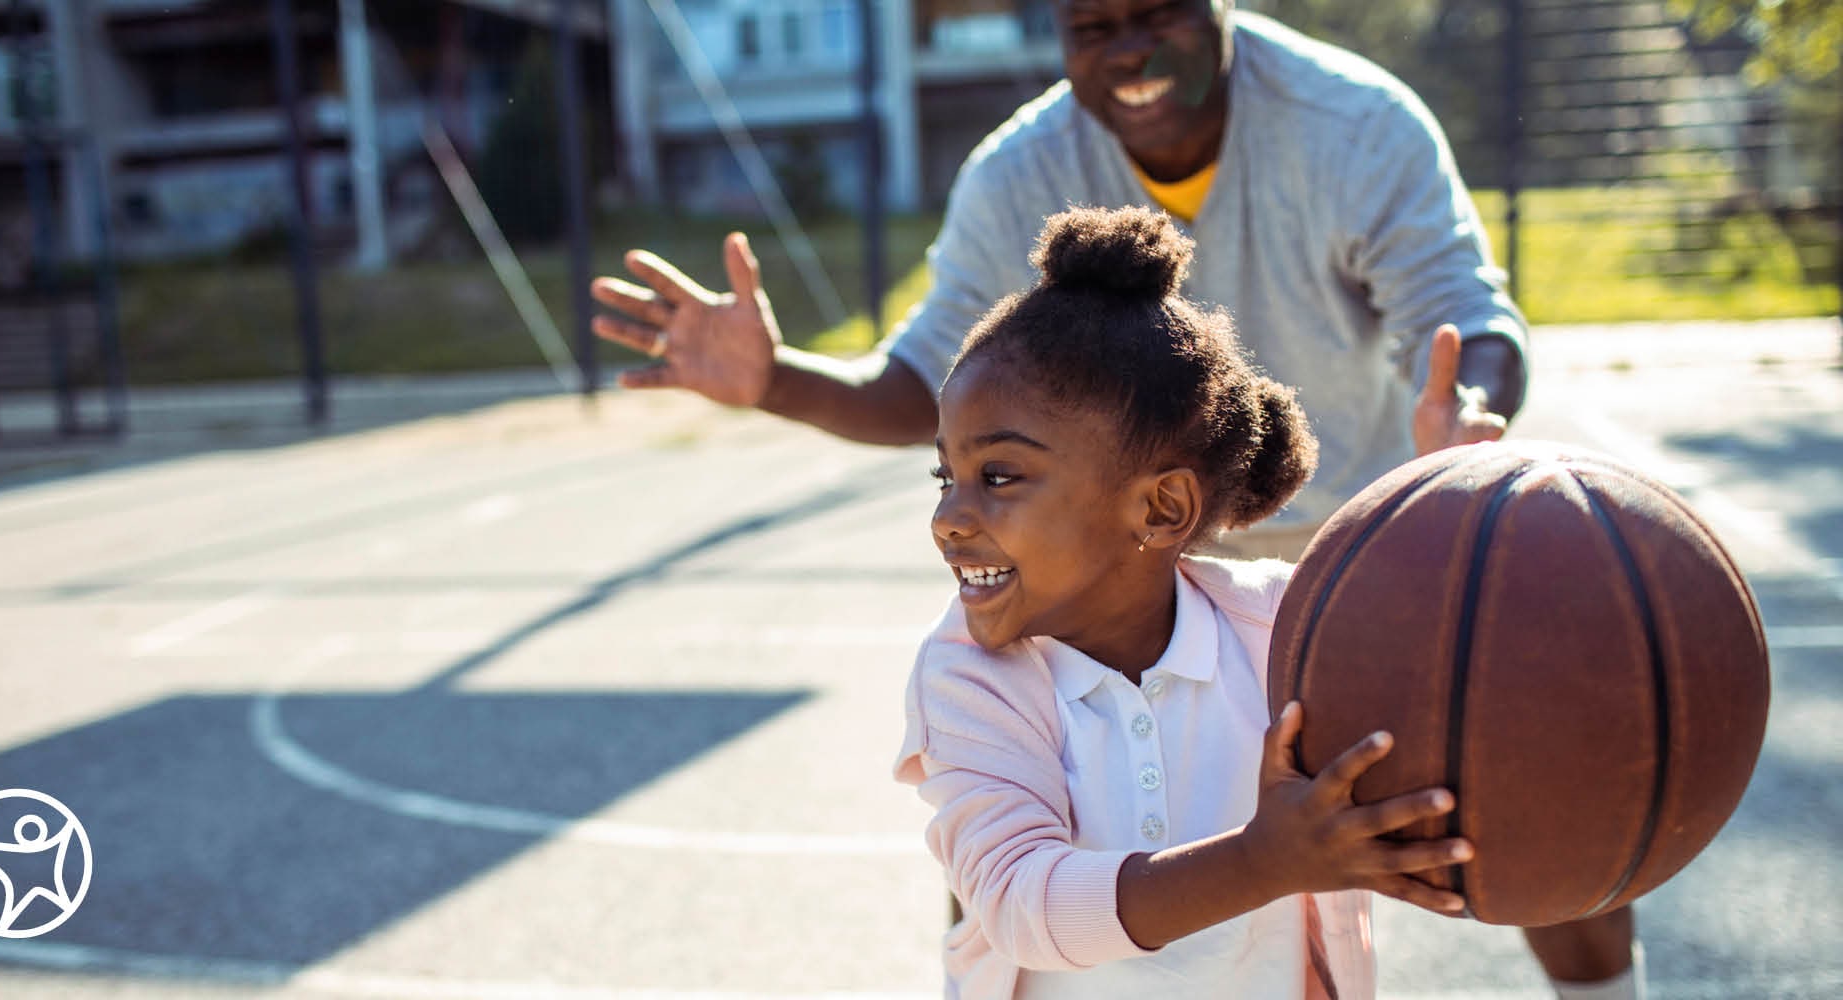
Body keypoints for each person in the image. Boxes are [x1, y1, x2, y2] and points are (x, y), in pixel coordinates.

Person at [593, 3, 1641, 995]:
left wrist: (1462, 418)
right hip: (1083, 555)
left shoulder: (1351, 122)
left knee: (1518, 757)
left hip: (1343, 540)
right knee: (1004, 853)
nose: (1127, 51)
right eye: (1091, 26)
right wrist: (775, 378)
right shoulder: (1017, 170)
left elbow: (1461, 311)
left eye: (1157, 16)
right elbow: (923, 380)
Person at [894, 205, 1468, 999]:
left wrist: (1452, 504)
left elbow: (1437, 655)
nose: (948, 518)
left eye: (997, 478)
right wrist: (1264, 861)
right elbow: (1023, 907)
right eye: (945, 478)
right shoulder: (967, 677)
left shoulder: (1280, 631)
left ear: (1161, 510)